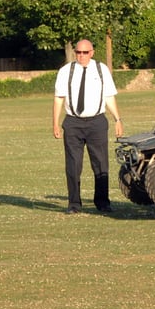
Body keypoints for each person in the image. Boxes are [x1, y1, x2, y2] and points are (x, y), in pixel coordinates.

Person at [52, 39, 124, 214]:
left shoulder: (101, 70)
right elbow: (59, 98)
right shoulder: (65, 71)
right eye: (78, 52)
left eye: (85, 52)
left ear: (92, 52)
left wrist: (118, 119)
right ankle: (74, 204)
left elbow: (109, 96)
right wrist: (55, 123)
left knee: (100, 164)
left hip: (97, 122)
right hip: (73, 122)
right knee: (73, 165)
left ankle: (102, 202)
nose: (81, 56)